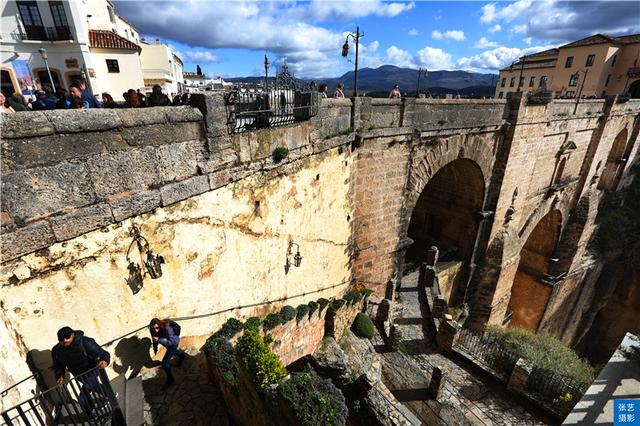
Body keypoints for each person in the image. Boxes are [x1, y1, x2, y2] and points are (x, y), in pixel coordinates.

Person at [52, 327, 110, 416]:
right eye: (61, 339)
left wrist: (104, 360)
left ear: (73, 334)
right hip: (79, 375)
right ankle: (110, 395)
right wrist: (60, 376)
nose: (65, 340)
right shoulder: (57, 351)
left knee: (82, 398)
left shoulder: (85, 342)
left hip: (92, 371)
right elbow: (58, 366)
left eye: (67, 337)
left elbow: (102, 353)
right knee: (95, 387)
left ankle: (92, 416)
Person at [149, 318, 186, 389]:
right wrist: (155, 348)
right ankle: (182, 355)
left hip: (173, 344)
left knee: (165, 364)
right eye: (154, 329)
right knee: (173, 352)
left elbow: (172, 342)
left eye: (157, 328)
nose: (156, 330)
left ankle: (170, 379)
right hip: (167, 344)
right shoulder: (153, 329)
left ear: (160, 325)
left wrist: (159, 340)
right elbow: (154, 338)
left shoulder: (167, 328)